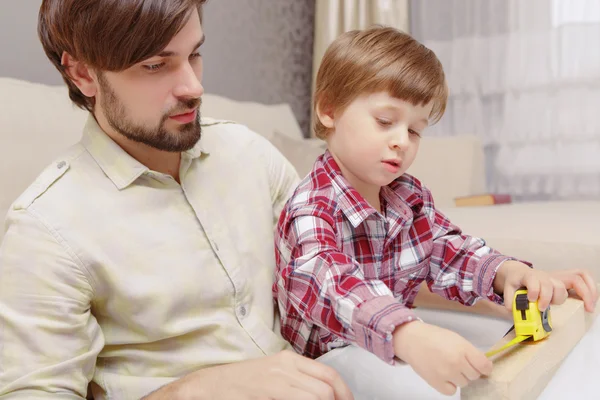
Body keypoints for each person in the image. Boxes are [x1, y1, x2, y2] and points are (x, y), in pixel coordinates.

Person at [0, 1, 354, 399]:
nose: (194, 87)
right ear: (83, 73)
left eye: (195, 54)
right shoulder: (45, 228)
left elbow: (335, 267)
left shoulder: (249, 153)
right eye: (155, 65)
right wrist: (193, 390)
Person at [273, 26, 598, 396]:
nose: (400, 141)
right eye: (384, 121)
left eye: (414, 131)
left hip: (391, 344)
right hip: (324, 363)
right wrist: (407, 334)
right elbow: (328, 281)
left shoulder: (408, 196)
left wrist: (505, 273)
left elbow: (448, 250)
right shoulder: (310, 207)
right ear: (328, 110)